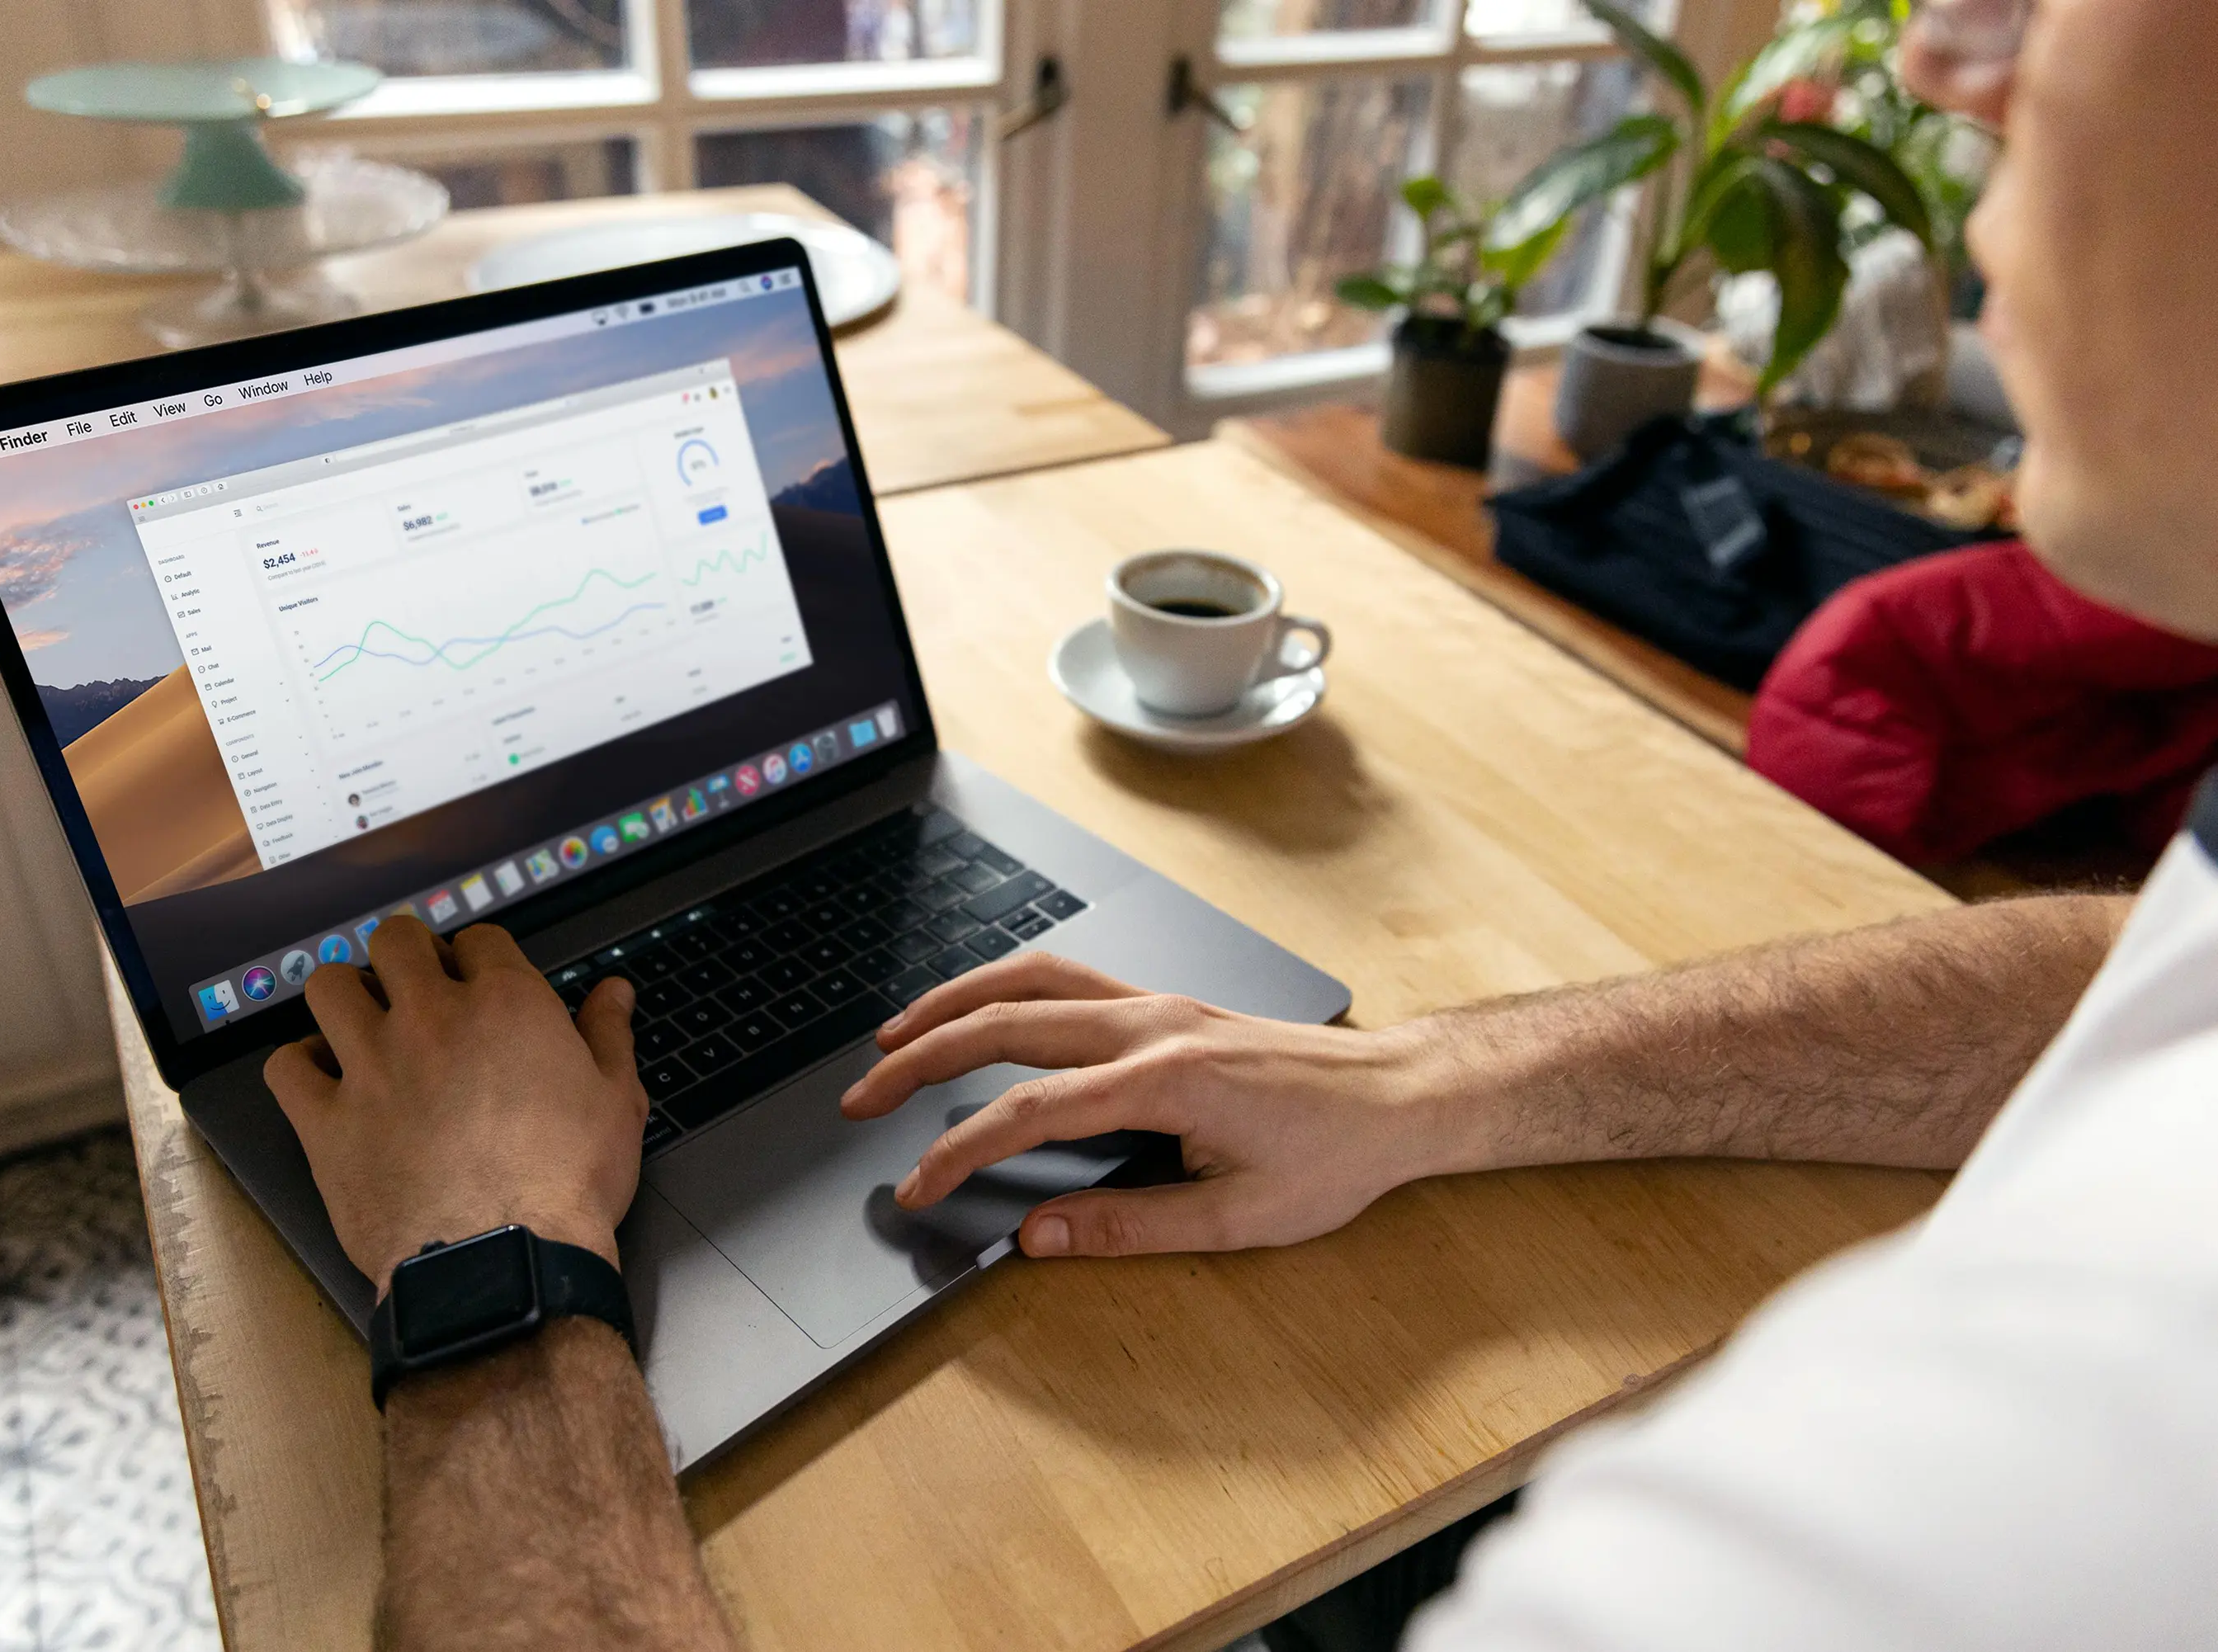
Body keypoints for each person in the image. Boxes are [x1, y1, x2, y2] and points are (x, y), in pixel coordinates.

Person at [264, 1, 2218, 1644]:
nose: (1952, 50)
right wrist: (1452, 1077)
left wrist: (488, 1256)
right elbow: (2141, 969)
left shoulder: (1981, 1525)